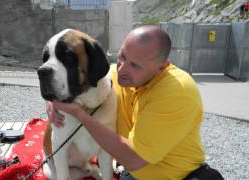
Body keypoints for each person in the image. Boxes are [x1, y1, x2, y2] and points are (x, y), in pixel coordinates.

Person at [46, 25, 223, 179]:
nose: (122, 68)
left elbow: (133, 159)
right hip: (130, 173)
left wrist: (80, 115)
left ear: (161, 67)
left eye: (135, 65)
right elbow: (75, 83)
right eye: (122, 56)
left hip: (178, 177)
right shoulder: (118, 76)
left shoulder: (177, 92)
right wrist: (53, 101)